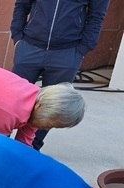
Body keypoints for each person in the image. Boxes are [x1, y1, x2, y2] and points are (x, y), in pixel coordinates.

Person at [10, 0, 110, 150]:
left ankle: (32, 148)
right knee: (12, 99)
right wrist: (17, 36)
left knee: (53, 106)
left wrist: (83, 49)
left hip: (67, 53)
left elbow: (96, 16)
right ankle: (0, 142)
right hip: (30, 47)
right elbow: (22, 5)